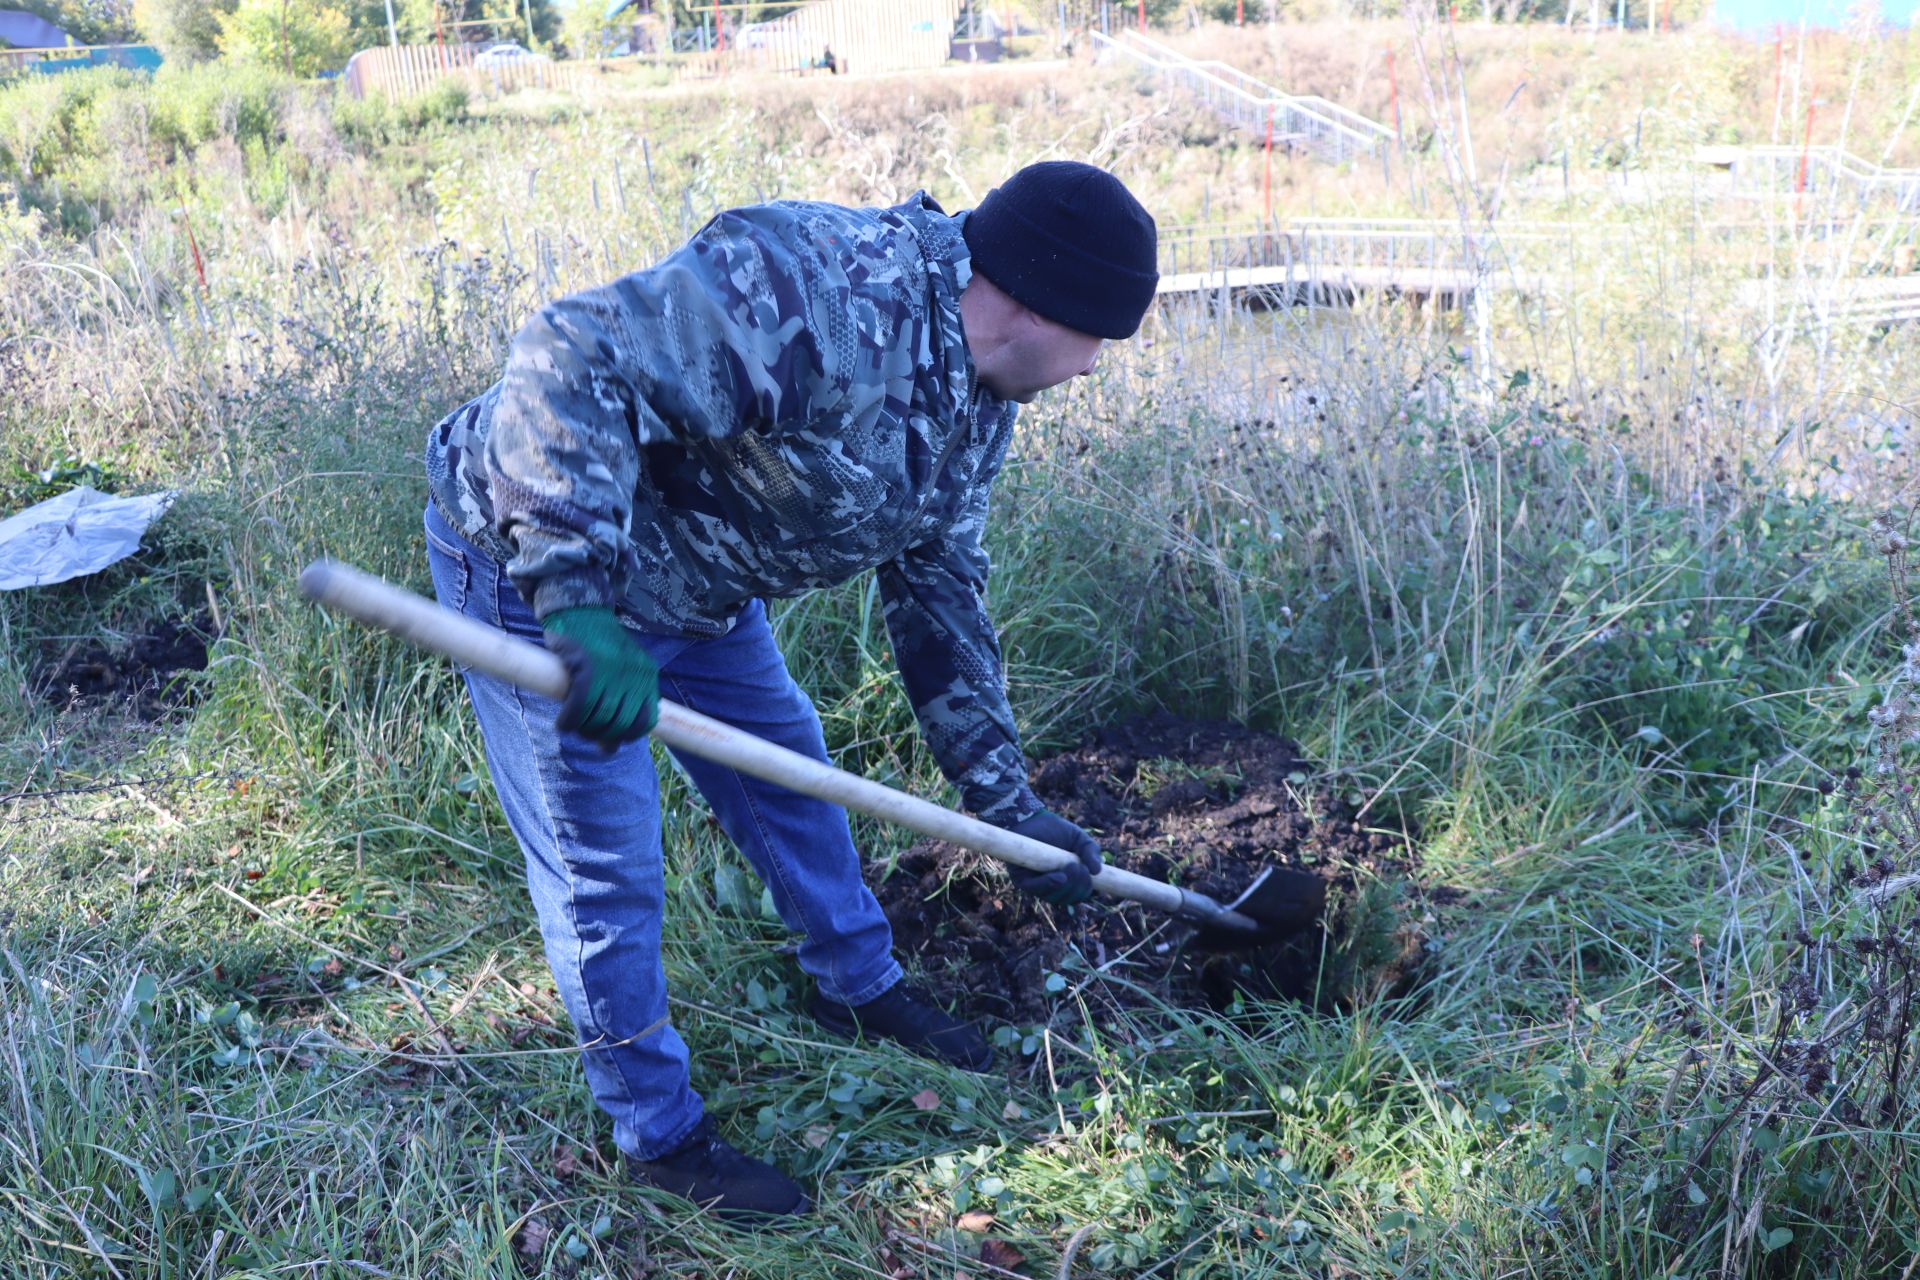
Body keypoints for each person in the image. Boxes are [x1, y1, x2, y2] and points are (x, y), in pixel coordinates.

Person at [421, 161, 1158, 1220]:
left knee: (793, 779)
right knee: (605, 866)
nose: (1095, 368)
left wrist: (1005, 800)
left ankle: (859, 983)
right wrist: (577, 600)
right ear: (1040, 304)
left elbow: (938, 585)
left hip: (701, 581)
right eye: (1100, 339)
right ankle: (659, 1131)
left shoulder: (979, 402)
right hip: (536, 558)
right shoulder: (819, 290)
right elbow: (567, 351)